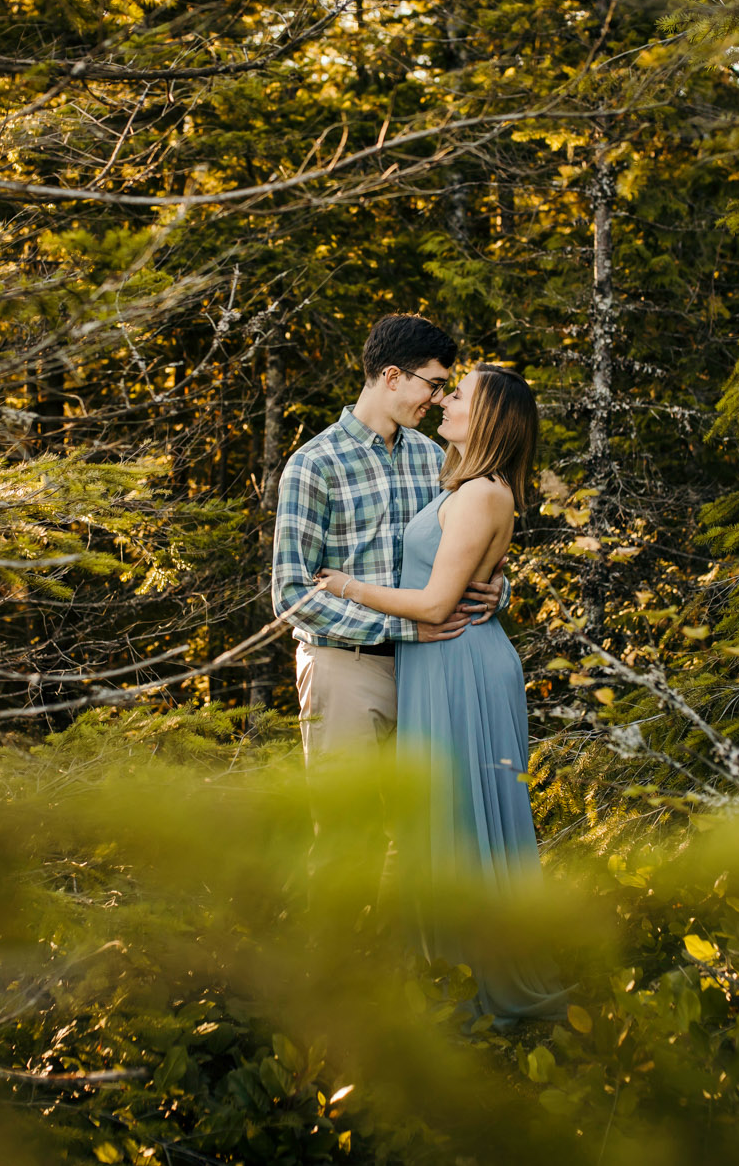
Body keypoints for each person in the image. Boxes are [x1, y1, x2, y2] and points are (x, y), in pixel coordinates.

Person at [314, 364, 569, 1023]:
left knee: (468, 824)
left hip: (460, 665)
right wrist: (498, 586)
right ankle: (449, 975)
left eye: (460, 395)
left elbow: (433, 602)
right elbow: (460, 573)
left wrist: (342, 585)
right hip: (440, 663)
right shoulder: (458, 480)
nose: (445, 401)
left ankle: (485, 988)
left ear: (488, 418)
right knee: (445, 823)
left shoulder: (483, 491)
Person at [270, 314, 505, 765]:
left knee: (421, 826)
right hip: (347, 668)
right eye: (433, 385)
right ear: (393, 377)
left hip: (428, 668)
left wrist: (496, 591)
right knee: (348, 826)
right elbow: (292, 593)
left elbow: (462, 549)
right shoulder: (314, 464)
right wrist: (401, 628)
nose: (438, 400)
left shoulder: (432, 455)